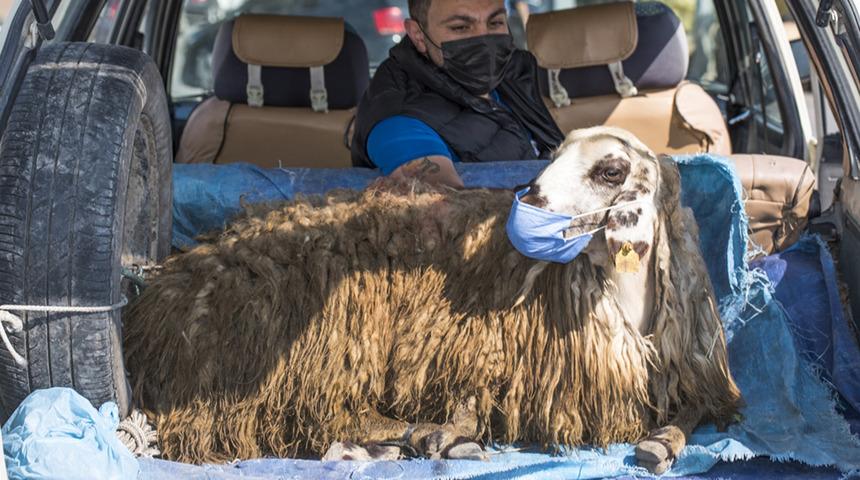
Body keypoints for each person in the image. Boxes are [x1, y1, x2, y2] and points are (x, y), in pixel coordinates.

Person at [351, 0, 564, 188]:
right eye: (461, 27)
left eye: (495, 22)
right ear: (418, 35)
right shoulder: (397, 115)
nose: (484, 39)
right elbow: (445, 206)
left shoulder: (512, 75)